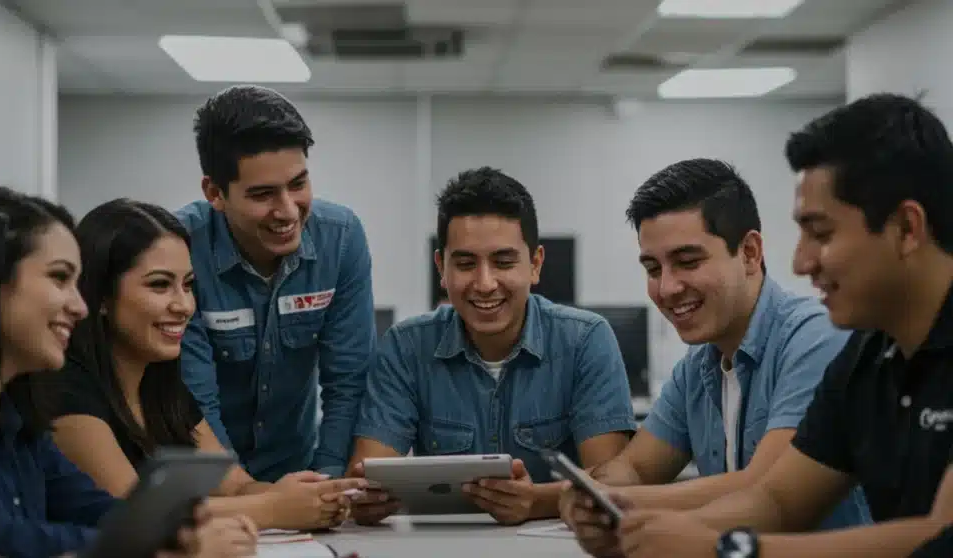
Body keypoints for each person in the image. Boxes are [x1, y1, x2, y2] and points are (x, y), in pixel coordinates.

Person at [609, 94, 953, 558]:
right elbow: (779, 498)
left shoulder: (820, 336)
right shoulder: (869, 356)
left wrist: (726, 549)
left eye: (822, 233)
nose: (800, 261)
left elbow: (940, 536)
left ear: (907, 228)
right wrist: (644, 529)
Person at [560, 159, 872, 555]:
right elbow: (636, 468)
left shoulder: (815, 336)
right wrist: (592, 495)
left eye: (688, 262)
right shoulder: (698, 367)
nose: (667, 287)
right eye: (653, 268)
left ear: (749, 252)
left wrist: (624, 503)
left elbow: (767, 486)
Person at [0, 187, 255, 558]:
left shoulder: (14, 408)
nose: (79, 307)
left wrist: (174, 533)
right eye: (59, 279)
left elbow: (94, 508)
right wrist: (161, 548)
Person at [43, 198, 366, 531]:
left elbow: (235, 484)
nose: (184, 305)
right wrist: (273, 508)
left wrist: (315, 496)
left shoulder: (162, 383)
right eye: (159, 285)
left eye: (187, 285)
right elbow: (133, 511)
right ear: (101, 298)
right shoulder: (65, 390)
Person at [347, 167, 637, 526]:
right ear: (441, 267)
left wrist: (537, 502)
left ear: (535, 264)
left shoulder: (586, 339)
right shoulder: (406, 347)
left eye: (503, 262)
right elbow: (366, 475)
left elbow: (612, 482)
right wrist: (366, 499)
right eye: (466, 264)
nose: (484, 284)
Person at [177, 85, 375, 482]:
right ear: (215, 192)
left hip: (298, 470)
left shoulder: (342, 237)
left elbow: (349, 382)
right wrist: (256, 499)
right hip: (207, 479)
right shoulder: (179, 247)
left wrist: (327, 483)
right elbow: (194, 399)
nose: (287, 211)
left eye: (298, 185)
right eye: (263, 194)